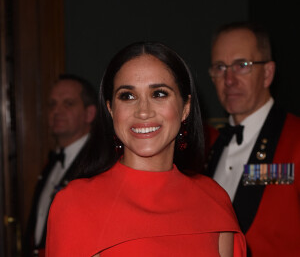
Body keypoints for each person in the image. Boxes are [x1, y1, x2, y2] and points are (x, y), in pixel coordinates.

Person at [45, 42, 246, 256]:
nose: (143, 111)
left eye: (159, 94)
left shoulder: (214, 199)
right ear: (111, 109)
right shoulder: (75, 204)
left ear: (185, 107)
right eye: (128, 96)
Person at [206, 22, 300, 256]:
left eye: (242, 66)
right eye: (220, 67)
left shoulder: (296, 139)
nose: (229, 79)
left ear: (267, 73)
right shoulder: (205, 146)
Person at [24, 74, 98, 257]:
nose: (57, 111)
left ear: (89, 113)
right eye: (52, 104)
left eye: (68, 103)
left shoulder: (97, 164)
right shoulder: (51, 161)